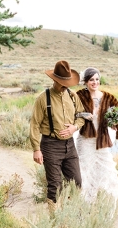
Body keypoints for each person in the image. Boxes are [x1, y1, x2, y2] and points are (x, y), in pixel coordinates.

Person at [29, 60, 87, 212]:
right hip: (50, 145)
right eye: (62, 82)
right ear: (54, 80)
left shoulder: (72, 95)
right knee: (55, 185)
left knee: (77, 182)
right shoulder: (43, 98)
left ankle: (70, 213)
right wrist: (36, 149)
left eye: (67, 82)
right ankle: (54, 221)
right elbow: (34, 124)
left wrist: (75, 127)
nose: (65, 85)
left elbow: (81, 115)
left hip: (69, 145)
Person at [74, 67, 118, 214]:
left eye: (97, 79)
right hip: (85, 141)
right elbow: (70, 113)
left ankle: (106, 209)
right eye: (91, 80)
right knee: (85, 172)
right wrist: (83, 114)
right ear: (85, 82)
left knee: (108, 173)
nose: (94, 82)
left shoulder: (108, 97)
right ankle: (84, 209)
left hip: (102, 142)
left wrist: (117, 125)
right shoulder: (79, 96)